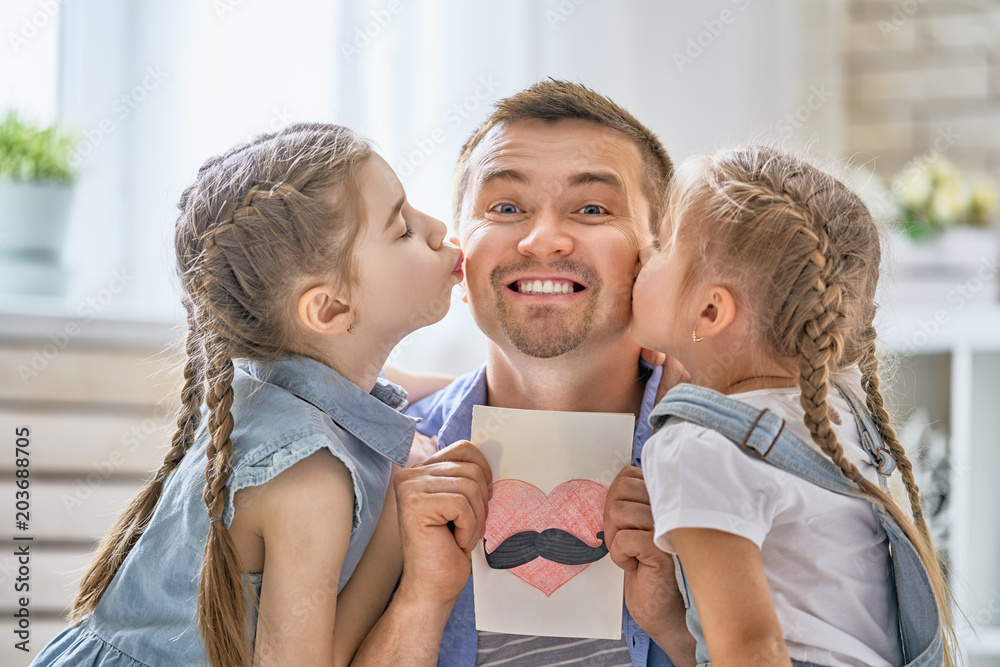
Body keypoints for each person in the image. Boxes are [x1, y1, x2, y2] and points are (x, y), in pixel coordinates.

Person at [31, 123, 465, 667]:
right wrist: (396, 526)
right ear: (329, 310)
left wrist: (483, 391)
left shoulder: (278, 375)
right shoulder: (307, 480)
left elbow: (376, 389)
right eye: (402, 229)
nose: (438, 227)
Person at [351, 81, 696, 667]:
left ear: (657, 258)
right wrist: (419, 601)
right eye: (505, 208)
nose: (542, 240)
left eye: (592, 208)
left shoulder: (741, 462)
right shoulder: (372, 465)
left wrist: (681, 629)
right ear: (459, 261)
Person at [633, 145, 958, 666]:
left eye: (663, 243)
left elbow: (750, 651)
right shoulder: (839, 407)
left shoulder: (697, 447)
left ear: (712, 310)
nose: (643, 251)